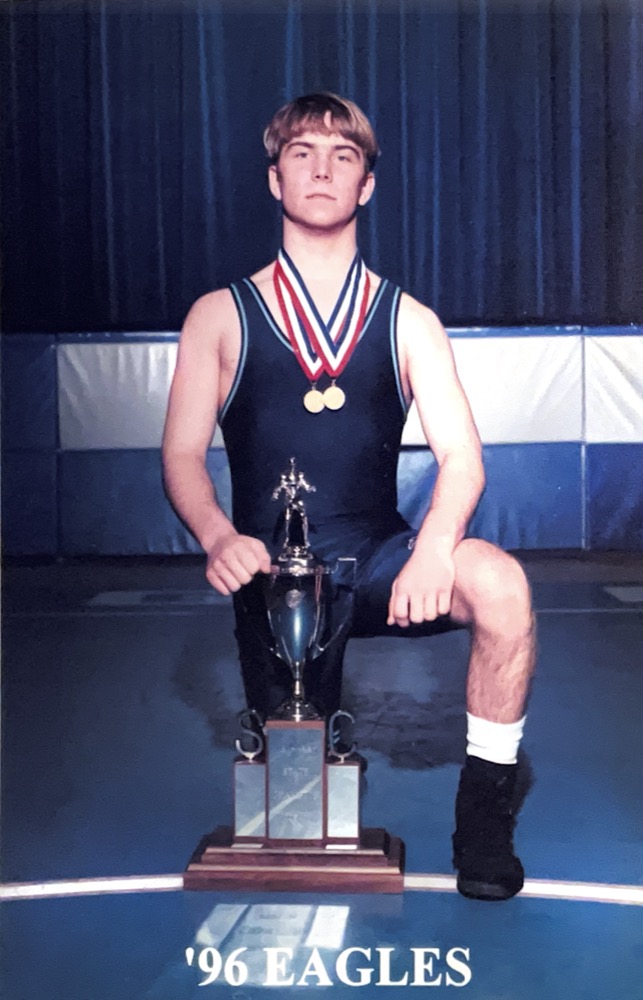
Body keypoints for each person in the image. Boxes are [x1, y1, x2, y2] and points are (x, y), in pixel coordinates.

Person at [162, 92, 536, 901]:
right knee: (295, 810)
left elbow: (463, 459)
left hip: (378, 562)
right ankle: (302, 755)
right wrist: (219, 537)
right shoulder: (219, 317)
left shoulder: (409, 321)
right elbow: (182, 455)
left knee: (502, 585)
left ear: (367, 185)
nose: (323, 168)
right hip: (273, 579)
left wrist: (435, 549)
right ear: (274, 180)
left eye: (343, 156)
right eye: (302, 153)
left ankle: (484, 823)